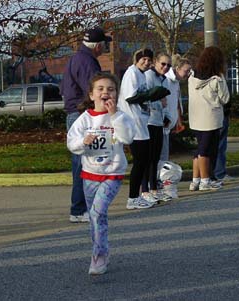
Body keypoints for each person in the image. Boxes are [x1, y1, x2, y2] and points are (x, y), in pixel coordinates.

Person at [67, 73, 135, 275]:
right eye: (101, 89)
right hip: (90, 174)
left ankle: (99, 255)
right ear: (91, 94)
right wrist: (83, 143)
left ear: (116, 94)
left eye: (111, 89)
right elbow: (72, 143)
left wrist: (114, 116)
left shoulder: (120, 116)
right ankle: (99, 250)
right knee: (96, 218)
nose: (106, 92)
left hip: (113, 173)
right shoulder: (84, 119)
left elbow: (127, 138)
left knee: (97, 212)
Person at [60, 27, 112, 223]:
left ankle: (82, 207)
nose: (105, 47)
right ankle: (79, 209)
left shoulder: (75, 59)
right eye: (105, 44)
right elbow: (96, 91)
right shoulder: (88, 62)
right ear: (98, 46)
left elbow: (65, 89)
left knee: (83, 161)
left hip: (74, 113)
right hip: (82, 114)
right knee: (83, 163)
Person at [117, 48, 157, 210]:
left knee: (144, 160)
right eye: (144, 59)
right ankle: (132, 198)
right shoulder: (132, 73)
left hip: (142, 121)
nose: (146, 63)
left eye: (149, 60)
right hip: (133, 122)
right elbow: (130, 97)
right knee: (140, 161)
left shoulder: (142, 75)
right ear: (137, 59)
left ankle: (138, 195)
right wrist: (150, 95)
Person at [188, 46, 230, 191]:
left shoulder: (192, 76)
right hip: (212, 118)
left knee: (199, 149)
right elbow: (225, 98)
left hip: (195, 117)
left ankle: (195, 180)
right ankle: (206, 180)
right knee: (208, 150)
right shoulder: (217, 78)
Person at [142, 53, 172, 202]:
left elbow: (165, 100)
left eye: (168, 65)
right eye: (163, 64)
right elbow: (145, 99)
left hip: (159, 121)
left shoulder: (164, 79)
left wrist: (166, 116)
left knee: (155, 157)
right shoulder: (148, 76)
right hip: (148, 121)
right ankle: (145, 189)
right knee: (147, 157)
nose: (165, 67)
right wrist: (159, 102)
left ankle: (154, 188)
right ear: (155, 63)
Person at [162, 55, 192, 161]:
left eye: (189, 71)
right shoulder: (166, 80)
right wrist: (166, 121)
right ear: (178, 68)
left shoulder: (176, 82)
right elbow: (163, 103)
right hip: (162, 125)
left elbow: (177, 103)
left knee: (164, 155)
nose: (188, 74)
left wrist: (178, 122)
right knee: (161, 155)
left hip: (168, 126)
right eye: (186, 71)